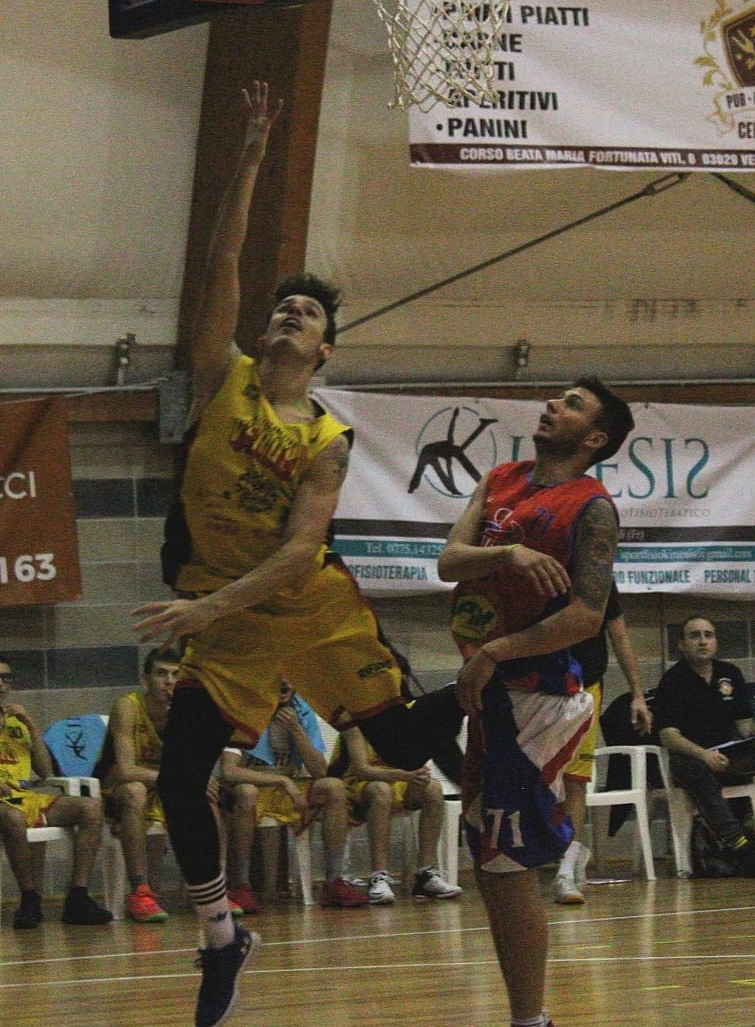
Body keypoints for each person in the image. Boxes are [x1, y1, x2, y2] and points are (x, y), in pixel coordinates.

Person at [131, 82, 463, 1027]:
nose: (288, 313)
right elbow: (220, 267)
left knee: (401, 748)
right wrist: (248, 157)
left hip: (304, 607)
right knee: (180, 781)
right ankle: (220, 939)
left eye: (307, 313)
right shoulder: (222, 376)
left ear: (324, 351)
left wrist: (201, 610)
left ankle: (491, 683)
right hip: (229, 623)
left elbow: (298, 551)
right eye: (283, 306)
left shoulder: (326, 441)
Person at [438, 378, 632, 1027]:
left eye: (573, 404)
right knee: (490, 864)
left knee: (503, 863)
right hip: (495, 690)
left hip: (540, 694)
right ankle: (529, 1017)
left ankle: (532, 1019)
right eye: (557, 398)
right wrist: (510, 554)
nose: (554, 405)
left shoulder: (592, 508)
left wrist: (497, 651)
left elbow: (587, 616)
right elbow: (450, 562)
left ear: (595, 437)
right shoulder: (501, 479)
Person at [0, 654, 112, 929]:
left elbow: (45, 772)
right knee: (13, 818)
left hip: (25, 797)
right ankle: (29, 898)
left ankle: (78, 897)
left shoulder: (17, 720)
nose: (0, 684)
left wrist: (32, 727)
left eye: (6, 678)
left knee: (91, 807)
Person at [220, 680, 367, 911]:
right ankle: (241, 885)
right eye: (277, 675)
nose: (283, 682)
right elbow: (229, 771)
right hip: (251, 786)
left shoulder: (302, 710)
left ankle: (333, 881)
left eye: (289, 675)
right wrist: (282, 780)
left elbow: (320, 771)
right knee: (247, 792)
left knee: (334, 788)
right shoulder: (244, 708)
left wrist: (296, 730)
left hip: (287, 790)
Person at [553, 584, 651, 903]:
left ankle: (568, 868)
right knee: (539, 778)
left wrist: (638, 695)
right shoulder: (539, 576)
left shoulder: (600, 581)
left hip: (586, 689)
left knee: (575, 780)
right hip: (541, 688)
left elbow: (620, 638)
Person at [652, 616, 755, 876]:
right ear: (682, 644)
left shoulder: (730, 674)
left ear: (716, 641)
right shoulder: (673, 681)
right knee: (695, 770)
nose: (703, 641)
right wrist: (704, 755)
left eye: (709, 635)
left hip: (728, 754)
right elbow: (668, 736)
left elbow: (743, 723)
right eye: (695, 636)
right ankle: (737, 842)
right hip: (692, 756)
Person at [94, 646, 181, 922]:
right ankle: (139, 891)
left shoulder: (184, 711)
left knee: (208, 794)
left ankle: (217, 888)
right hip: (116, 788)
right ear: (145, 680)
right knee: (135, 791)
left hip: (161, 785)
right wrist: (181, 779)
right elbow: (126, 770)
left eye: (176, 675)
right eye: (162, 674)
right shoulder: (128, 706)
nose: (169, 682)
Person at [334, 725, 462, 904]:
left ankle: (426, 873)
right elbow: (362, 770)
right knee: (381, 790)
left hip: (397, 780)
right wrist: (404, 775)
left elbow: (415, 763)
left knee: (433, 788)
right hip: (355, 784)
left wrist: (418, 777)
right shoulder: (355, 724)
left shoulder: (402, 721)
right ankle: (379, 876)